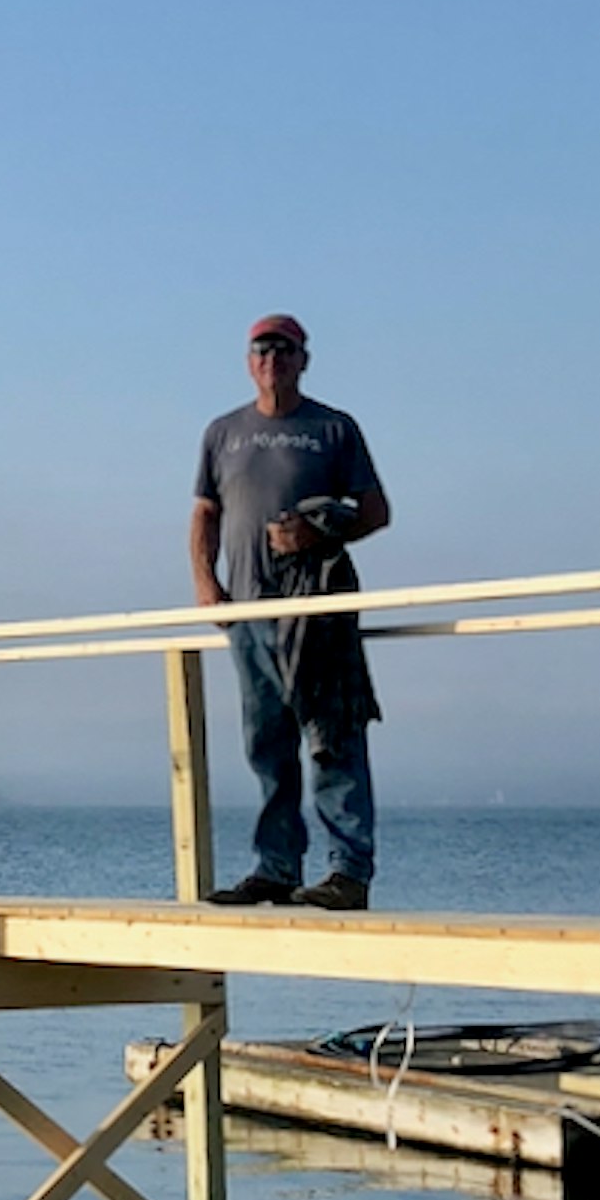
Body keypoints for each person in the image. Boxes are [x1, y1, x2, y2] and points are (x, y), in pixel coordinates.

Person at [189, 312, 391, 908]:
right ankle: (276, 866)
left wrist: (319, 533)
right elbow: (205, 513)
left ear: (303, 359)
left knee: (332, 737)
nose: (272, 359)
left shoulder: (333, 429)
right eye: (261, 350)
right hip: (250, 611)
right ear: (248, 361)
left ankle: (347, 872)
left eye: (284, 350)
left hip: (319, 610)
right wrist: (207, 584)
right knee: (267, 742)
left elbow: (376, 510)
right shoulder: (222, 433)